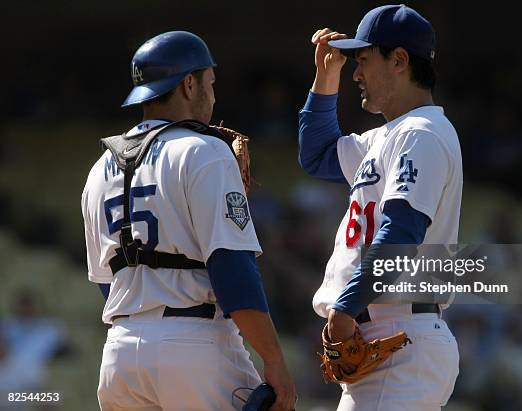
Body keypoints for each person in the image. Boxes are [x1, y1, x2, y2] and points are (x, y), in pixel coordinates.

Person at [82, 31, 295, 411]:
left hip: (119, 354)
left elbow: (106, 282)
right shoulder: (205, 151)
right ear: (189, 83)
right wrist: (275, 359)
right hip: (194, 347)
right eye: (210, 84)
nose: (213, 95)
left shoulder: (100, 169)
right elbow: (233, 270)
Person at [298, 5, 462, 410]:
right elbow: (317, 154)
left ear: (400, 60)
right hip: (388, 340)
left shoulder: (422, 133)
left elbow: (401, 233)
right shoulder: (385, 137)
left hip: (401, 336)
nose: (356, 73)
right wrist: (326, 77)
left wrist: (344, 308)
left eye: (364, 60)